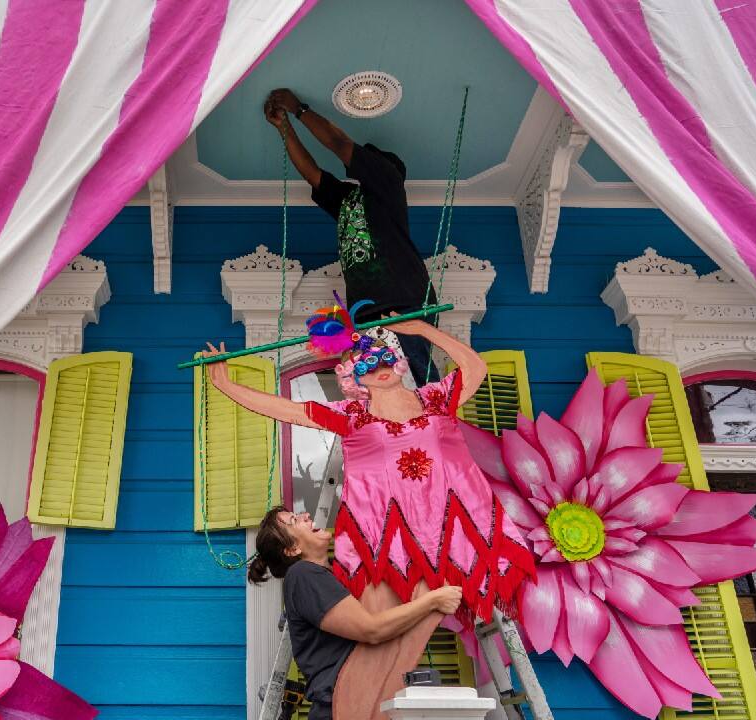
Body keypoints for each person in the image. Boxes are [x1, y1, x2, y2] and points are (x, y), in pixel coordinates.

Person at [201, 317, 534, 720]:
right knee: (381, 648)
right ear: (354, 379)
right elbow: (284, 409)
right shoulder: (351, 417)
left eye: (386, 358)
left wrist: (424, 331)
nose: (378, 366)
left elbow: (475, 369)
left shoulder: (437, 400)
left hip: (453, 533)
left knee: (405, 647)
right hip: (389, 543)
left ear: (398, 363)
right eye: (365, 364)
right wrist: (224, 385)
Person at [264, 87, 439, 385]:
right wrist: (284, 128)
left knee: (418, 383)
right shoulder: (348, 199)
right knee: (378, 387)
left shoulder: (388, 181)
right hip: (367, 312)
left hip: (405, 302)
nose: (358, 163)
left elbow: (338, 142)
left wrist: (299, 109)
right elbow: (312, 173)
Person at [247, 506, 464, 720]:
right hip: (341, 707)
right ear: (292, 549)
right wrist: (433, 601)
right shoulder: (303, 575)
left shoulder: (334, 573)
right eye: (294, 520)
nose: (306, 515)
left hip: (362, 703)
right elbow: (372, 629)